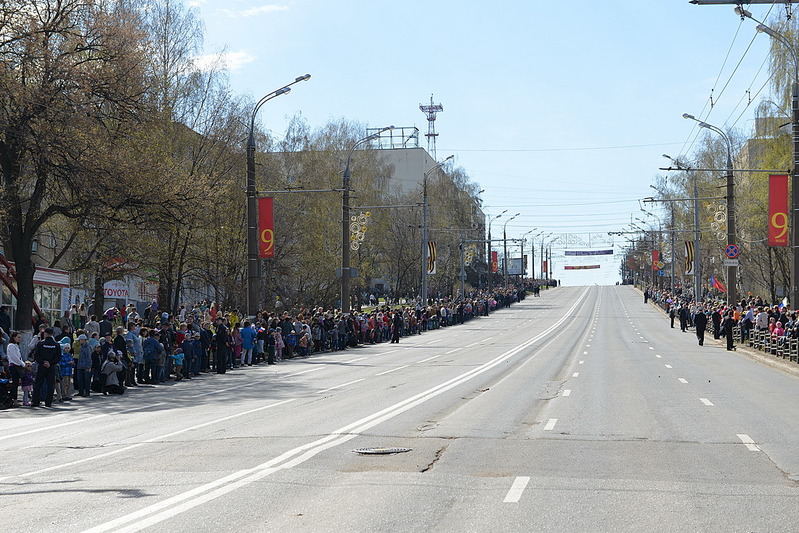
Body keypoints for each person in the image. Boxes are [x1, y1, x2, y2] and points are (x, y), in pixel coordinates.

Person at [31, 327, 62, 408]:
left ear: (46, 334)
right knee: (50, 385)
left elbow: (36, 355)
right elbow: (58, 357)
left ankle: (35, 401)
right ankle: (48, 402)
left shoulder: (40, 344)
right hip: (51, 367)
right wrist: (50, 363)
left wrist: (43, 362)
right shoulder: (56, 345)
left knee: (38, 384)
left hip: (42, 366)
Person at [6, 330, 25, 407]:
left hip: (18, 365)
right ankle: (14, 400)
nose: (19, 339)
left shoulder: (16, 346)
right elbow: (15, 358)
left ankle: (15, 399)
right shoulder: (11, 346)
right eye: (18, 337)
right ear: (13, 337)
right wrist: (23, 364)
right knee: (15, 383)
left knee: (16, 384)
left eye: (20, 337)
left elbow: (19, 357)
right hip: (13, 366)